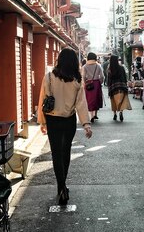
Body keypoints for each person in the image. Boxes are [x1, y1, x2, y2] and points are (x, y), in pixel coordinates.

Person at [38, 48, 92, 205]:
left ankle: (61, 186)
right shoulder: (76, 80)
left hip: (53, 120)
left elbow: (43, 100)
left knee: (56, 153)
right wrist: (86, 124)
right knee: (65, 151)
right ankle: (63, 186)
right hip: (69, 121)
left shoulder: (49, 77)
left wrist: (42, 122)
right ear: (74, 62)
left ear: (59, 60)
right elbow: (81, 104)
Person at [106, 55, 132, 122]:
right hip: (121, 86)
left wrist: (109, 87)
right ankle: (121, 112)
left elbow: (108, 80)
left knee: (113, 101)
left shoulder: (109, 69)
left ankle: (115, 114)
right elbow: (124, 77)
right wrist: (125, 84)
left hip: (113, 87)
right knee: (122, 101)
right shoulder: (121, 68)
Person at [81, 52, 105, 122]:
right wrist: (100, 82)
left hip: (88, 84)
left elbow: (83, 76)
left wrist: (85, 83)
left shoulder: (84, 66)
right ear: (95, 58)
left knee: (89, 99)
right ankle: (95, 114)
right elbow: (102, 76)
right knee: (96, 98)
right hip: (97, 83)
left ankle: (91, 115)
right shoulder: (98, 66)